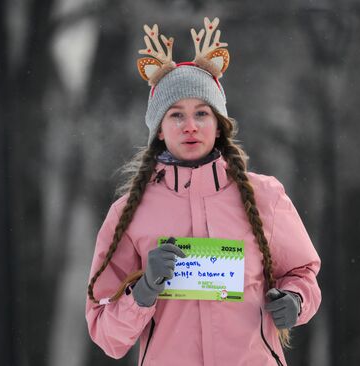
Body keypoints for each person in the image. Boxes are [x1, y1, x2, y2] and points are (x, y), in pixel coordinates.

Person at [85, 17, 321, 366]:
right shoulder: (127, 215)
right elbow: (106, 333)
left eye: (202, 113)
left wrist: (295, 301)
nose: (191, 125)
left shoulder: (265, 197)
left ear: (219, 124)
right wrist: (145, 289)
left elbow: (303, 274)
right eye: (176, 115)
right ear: (160, 130)